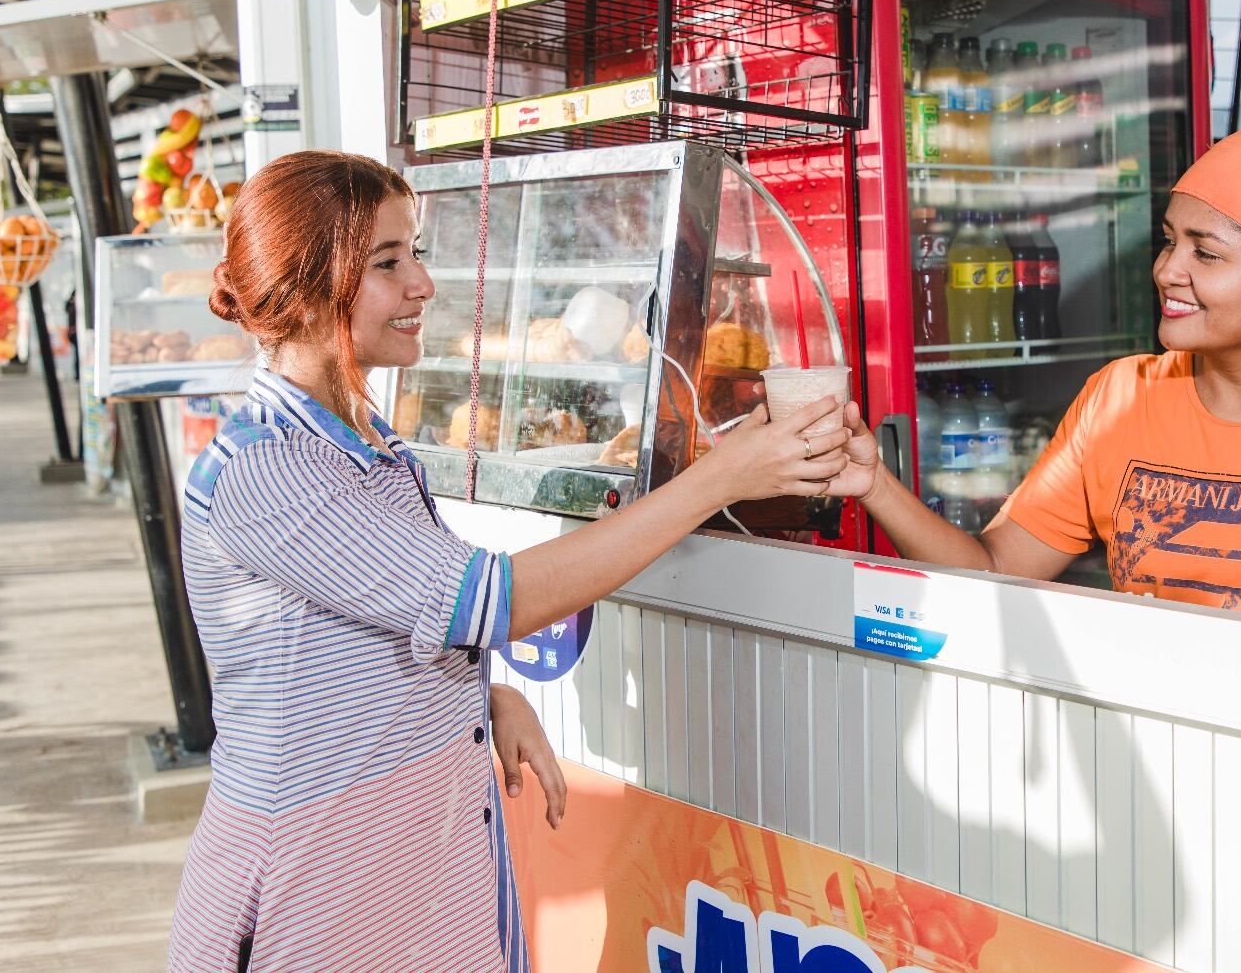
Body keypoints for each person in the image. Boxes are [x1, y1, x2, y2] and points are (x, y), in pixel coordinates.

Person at [168, 150, 851, 971]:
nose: (422, 284)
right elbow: (492, 600)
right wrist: (720, 479)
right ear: (313, 285)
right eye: (389, 262)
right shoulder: (271, 468)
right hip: (313, 892)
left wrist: (478, 697)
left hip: (398, 873)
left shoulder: (362, 445)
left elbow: (339, 647)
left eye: (414, 252)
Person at [829, 110, 1241, 647]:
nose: (1166, 270)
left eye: (1206, 253)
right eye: (1169, 238)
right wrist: (874, 484)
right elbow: (993, 573)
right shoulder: (1118, 399)